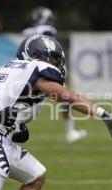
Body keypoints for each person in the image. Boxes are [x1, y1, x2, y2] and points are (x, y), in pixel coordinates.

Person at [0, 35, 112, 190]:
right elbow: (69, 97)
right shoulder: (35, 68)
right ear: (34, 55)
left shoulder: (2, 69)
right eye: (52, 59)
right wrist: (103, 114)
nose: (54, 64)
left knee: (35, 176)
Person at [22, 6, 87, 143]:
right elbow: (52, 49)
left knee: (28, 102)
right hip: (47, 69)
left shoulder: (26, 32)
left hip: (28, 70)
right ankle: (70, 132)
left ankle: (11, 126)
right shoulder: (48, 30)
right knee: (65, 97)